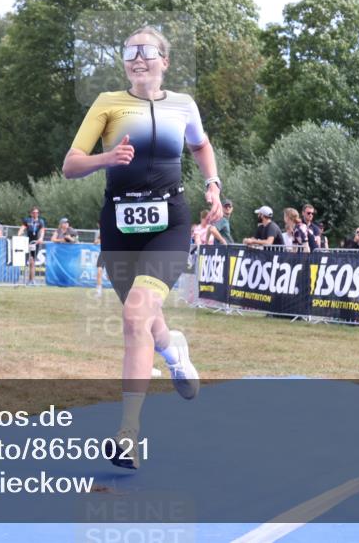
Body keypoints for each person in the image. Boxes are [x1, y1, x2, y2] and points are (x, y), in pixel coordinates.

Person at [63, 25, 218, 470]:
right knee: (145, 319)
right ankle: (174, 350)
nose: (137, 58)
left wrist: (212, 183)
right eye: (129, 51)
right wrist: (106, 159)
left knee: (135, 314)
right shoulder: (108, 104)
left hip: (169, 222)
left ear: (164, 61)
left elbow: (202, 146)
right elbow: (71, 165)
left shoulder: (183, 106)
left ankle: (127, 432)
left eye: (147, 51)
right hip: (119, 225)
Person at [20, 207, 46, 284]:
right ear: (31, 213)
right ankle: (29, 280)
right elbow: (22, 228)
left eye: (37, 213)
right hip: (27, 242)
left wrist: (41, 238)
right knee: (27, 261)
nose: (35, 214)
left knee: (32, 261)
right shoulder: (27, 220)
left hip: (35, 243)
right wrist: (19, 234)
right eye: (34, 212)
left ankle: (32, 280)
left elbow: (42, 231)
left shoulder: (41, 221)